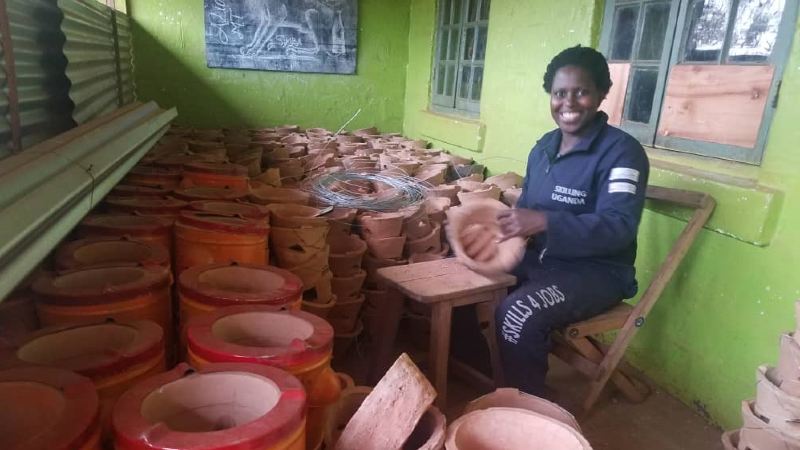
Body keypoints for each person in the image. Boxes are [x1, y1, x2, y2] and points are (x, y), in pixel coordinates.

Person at [463, 45, 650, 396]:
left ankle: (529, 407)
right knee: (461, 274)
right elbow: (527, 214)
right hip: (541, 260)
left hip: (596, 272)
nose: (569, 102)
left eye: (581, 92)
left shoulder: (621, 152)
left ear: (601, 94)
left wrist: (546, 222)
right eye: (560, 93)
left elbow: (620, 227)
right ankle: (484, 372)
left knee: (517, 313)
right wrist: (494, 231)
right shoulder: (544, 148)